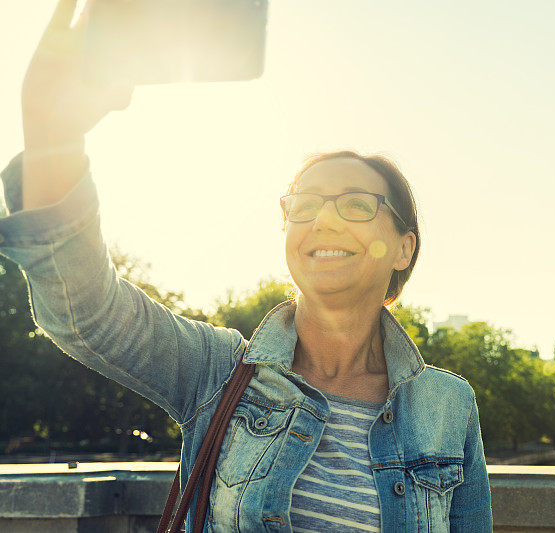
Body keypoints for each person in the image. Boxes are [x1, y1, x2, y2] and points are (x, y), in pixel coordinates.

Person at [0, 1, 492, 531]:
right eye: (304, 205)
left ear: (403, 248)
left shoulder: (449, 405)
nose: (323, 220)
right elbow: (87, 314)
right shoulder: (217, 372)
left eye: (355, 204)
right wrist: (52, 137)